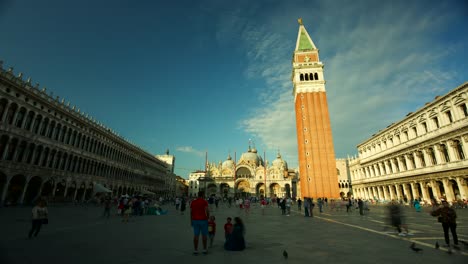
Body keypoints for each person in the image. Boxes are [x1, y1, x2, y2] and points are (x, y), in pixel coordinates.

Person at [190, 191, 209, 255]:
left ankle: (195, 250)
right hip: (203, 220)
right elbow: (207, 210)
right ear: (203, 195)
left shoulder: (193, 202)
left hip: (195, 220)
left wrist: (191, 220)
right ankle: (204, 249)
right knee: (204, 235)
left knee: (196, 235)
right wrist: (208, 217)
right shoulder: (204, 202)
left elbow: (191, 212)